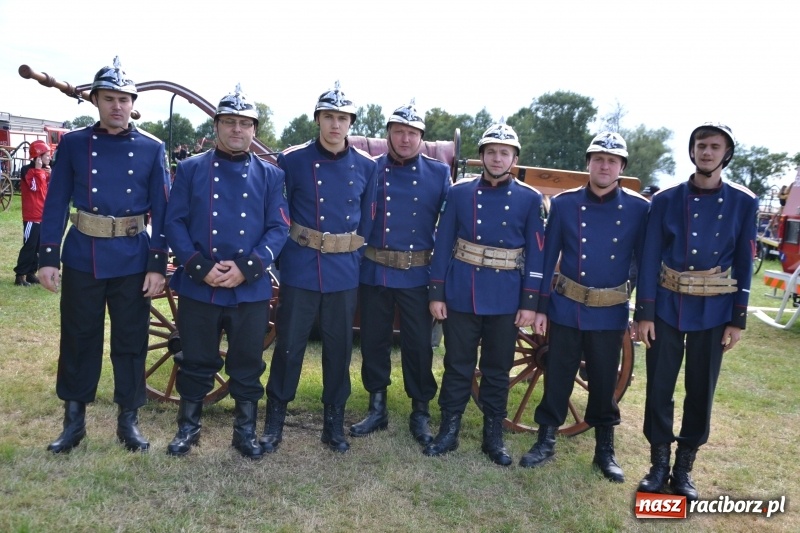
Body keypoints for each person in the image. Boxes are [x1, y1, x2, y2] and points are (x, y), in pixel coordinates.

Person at [38, 56, 170, 453]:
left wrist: (157, 264)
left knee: (130, 340)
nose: (117, 105)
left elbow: (162, 210)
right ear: (95, 100)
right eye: (109, 98)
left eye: (124, 99)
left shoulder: (151, 147)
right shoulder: (76, 143)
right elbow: (57, 201)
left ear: (133, 104)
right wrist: (47, 256)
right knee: (79, 338)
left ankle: (128, 421)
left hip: (132, 256)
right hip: (83, 255)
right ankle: (73, 421)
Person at [164, 85, 289, 459]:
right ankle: (188, 429)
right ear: (216, 125)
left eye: (245, 123)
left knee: (247, 363)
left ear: (254, 129)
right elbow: (175, 223)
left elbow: (278, 227)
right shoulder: (189, 169)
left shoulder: (271, 176)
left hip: (248, 288)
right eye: (230, 122)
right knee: (196, 359)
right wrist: (199, 267)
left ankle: (244, 432)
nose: (237, 129)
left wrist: (247, 268)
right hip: (200, 285)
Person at [635, 122, 758, 500]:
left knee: (700, 389)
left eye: (714, 147)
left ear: (726, 154)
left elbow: (744, 258)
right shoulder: (666, 200)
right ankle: (658, 464)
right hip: (668, 306)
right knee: (660, 387)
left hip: (715, 310)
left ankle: (684, 467)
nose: (706, 152)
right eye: (701, 146)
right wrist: (645, 313)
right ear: (691, 152)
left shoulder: (744, 201)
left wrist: (737, 319)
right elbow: (650, 256)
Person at [518, 132, 649, 482]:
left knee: (604, 381)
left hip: (610, 310)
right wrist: (540, 306)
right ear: (588, 163)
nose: (604, 165)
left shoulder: (639, 208)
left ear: (621, 167)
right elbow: (547, 259)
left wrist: (642, 312)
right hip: (567, 305)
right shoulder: (564, 203)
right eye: (598, 159)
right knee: (557, 374)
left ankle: (604, 450)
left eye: (612, 160)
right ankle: (546, 440)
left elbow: (645, 263)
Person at [262, 82, 377, 453]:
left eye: (342, 118)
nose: (335, 124)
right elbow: (280, 213)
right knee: (290, 346)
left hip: (344, 268)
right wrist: (284, 260)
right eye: (329, 117)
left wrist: (351, 255)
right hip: (301, 265)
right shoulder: (292, 160)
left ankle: (333, 425)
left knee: (339, 348)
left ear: (350, 124)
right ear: (318, 120)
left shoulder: (366, 166)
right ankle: (275, 422)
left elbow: (369, 220)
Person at [425, 122, 546, 466]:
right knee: (457, 365)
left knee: (497, 369)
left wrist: (530, 301)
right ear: (481, 156)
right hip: (462, 290)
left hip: (506, 296)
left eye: (504, 152)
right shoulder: (459, 193)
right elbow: (443, 242)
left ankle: (493, 436)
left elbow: (537, 253)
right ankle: (449, 430)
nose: (497, 158)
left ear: (514, 158)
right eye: (491, 151)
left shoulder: (529, 198)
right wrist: (437, 292)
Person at [349, 101, 451, 446]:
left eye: (412, 133)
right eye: (399, 132)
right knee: (373, 341)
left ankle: (420, 411)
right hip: (374, 271)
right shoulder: (370, 168)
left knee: (419, 346)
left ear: (421, 137)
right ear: (388, 134)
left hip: (417, 274)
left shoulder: (439, 174)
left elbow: (449, 229)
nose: (405, 139)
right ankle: (377, 407)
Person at [13, 140, 51, 286]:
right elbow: (34, 187)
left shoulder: (44, 170)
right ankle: (20, 275)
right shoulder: (27, 170)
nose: (49, 157)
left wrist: (48, 174)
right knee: (29, 245)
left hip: (42, 215)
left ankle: (30, 273)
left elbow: (47, 190)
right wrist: (38, 170)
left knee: (37, 247)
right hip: (31, 216)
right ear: (39, 157)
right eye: (47, 155)